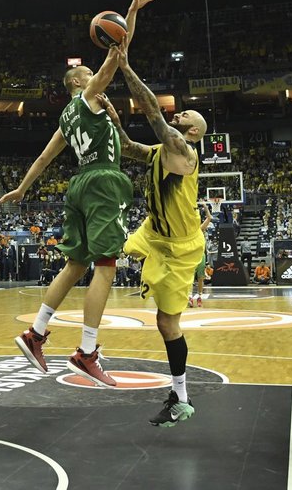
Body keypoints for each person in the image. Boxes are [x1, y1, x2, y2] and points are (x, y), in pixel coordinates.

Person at [4, 37, 131, 387]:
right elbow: (115, 58)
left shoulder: (66, 116)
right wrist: (127, 23)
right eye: (88, 74)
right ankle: (86, 352)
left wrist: (22, 188)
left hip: (78, 186)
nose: (94, 77)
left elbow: (44, 158)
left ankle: (35, 333)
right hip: (102, 180)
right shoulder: (89, 97)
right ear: (77, 81)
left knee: (75, 264)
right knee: (105, 265)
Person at [101, 46, 207, 426]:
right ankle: (84, 343)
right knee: (107, 250)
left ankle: (181, 398)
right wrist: (114, 119)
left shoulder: (184, 150)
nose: (181, 113)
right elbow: (129, 148)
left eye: (188, 115)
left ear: (193, 131)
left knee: (167, 324)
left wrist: (127, 68)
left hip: (179, 248)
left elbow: (153, 113)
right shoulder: (163, 149)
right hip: (153, 231)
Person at [189, 202, 212, 308]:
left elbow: (209, 217)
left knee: (200, 278)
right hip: (190, 256)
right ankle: (189, 297)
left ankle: (199, 297)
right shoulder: (187, 231)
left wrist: (205, 207)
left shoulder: (200, 229)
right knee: (189, 278)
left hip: (200, 256)